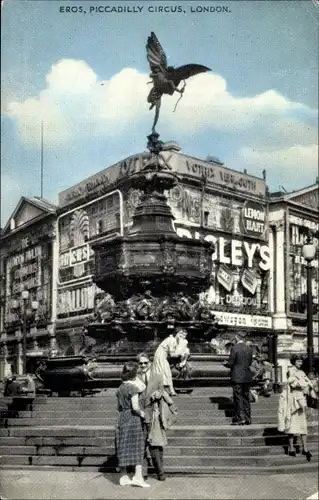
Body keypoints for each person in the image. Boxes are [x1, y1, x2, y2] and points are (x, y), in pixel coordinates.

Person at [137, 352, 177, 481]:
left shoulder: (158, 376)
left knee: (155, 446)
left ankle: (160, 472)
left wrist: (159, 394)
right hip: (138, 414)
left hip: (153, 415)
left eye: (145, 363)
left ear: (150, 363)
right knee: (140, 445)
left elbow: (162, 390)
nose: (143, 365)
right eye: (140, 363)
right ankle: (142, 474)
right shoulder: (135, 377)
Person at [115, 362, 150, 488]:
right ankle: (138, 477)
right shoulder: (133, 388)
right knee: (137, 446)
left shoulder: (120, 388)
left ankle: (124, 477)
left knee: (123, 446)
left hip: (122, 417)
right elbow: (135, 407)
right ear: (134, 374)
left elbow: (118, 407)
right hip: (133, 418)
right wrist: (143, 414)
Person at [278, 355, 317, 461]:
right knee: (291, 424)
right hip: (293, 400)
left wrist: (309, 384)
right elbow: (293, 384)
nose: (300, 363)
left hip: (301, 399)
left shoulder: (302, 372)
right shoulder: (291, 370)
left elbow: (307, 383)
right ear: (294, 362)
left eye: (301, 361)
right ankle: (291, 447)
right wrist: (304, 384)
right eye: (298, 361)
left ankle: (305, 448)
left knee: (303, 425)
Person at [224, 331, 253, 425]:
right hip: (247, 376)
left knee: (238, 397)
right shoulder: (249, 349)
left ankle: (240, 418)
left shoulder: (234, 348)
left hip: (237, 376)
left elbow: (231, 363)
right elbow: (249, 363)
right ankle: (248, 418)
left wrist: (225, 364)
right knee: (246, 397)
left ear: (237, 337)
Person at [152, 329, 190, 396]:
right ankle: (165, 391)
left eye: (182, 333)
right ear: (175, 333)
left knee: (166, 373)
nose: (181, 335)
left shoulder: (174, 340)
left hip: (162, 356)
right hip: (161, 356)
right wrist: (181, 353)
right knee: (163, 372)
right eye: (179, 333)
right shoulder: (172, 340)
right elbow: (172, 355)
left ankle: (170, 391)